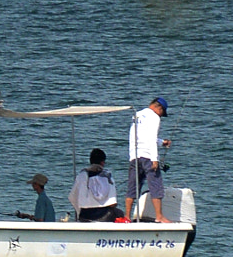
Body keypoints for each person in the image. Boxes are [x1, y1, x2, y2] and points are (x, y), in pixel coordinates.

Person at [127, 93, 168, 223]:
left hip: (134, 156)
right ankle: (159, 217)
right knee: (156, 185)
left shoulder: (137, 115)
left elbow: (141, 136)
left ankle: (126, 217)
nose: (161, 115)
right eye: (162, 113)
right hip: (148, 157)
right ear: (159, 108)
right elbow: (150, 138)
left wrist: (162, 142)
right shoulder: (154, 117)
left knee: (133, 187)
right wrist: (154, 159)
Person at [69, 148, 119, 221]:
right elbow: (113, 203)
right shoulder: (108, 176)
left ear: (90, 161)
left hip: (85, 216)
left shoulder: (82, 175)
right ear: (102, 162)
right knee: (119, 213)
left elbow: (72, 197)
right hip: (105, 216)